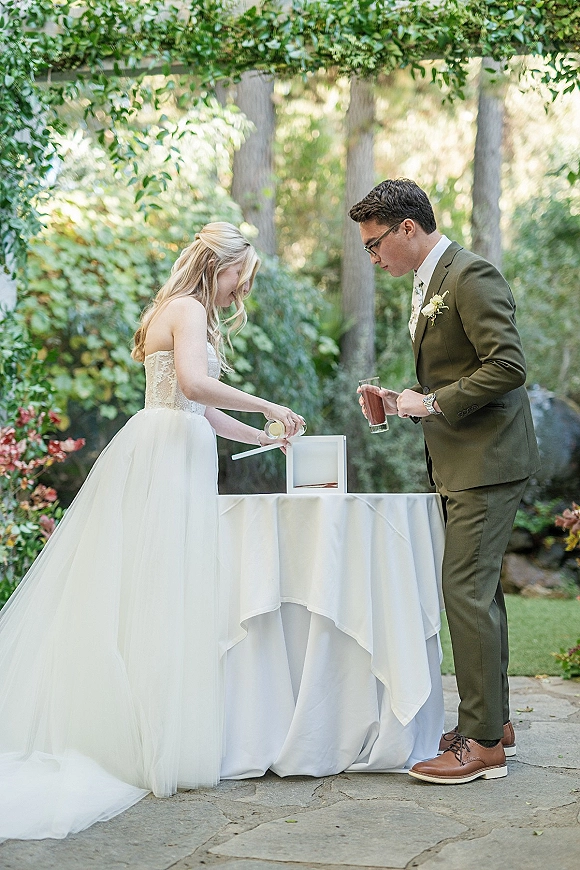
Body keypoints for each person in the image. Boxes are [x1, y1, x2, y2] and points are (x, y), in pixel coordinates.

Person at [0, 221, 304, 840]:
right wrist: (268, 404)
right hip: (165, 455)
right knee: (159, 586)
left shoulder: (180, 309)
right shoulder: (188, 308)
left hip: (176, 444)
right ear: (218, 268)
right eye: (236, 283)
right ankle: (143, 739)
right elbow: (192, 386)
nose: (235, 296)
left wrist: (262, 438)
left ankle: (154, 727)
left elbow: (201, 408)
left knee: (163, 587)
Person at [351, 179, 540, 784]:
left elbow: (507, 366)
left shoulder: (469, 275)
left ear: (409, 228)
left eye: (374, 244)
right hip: (461, 461)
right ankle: (495, 720)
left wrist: (430, 404)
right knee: (479, 593)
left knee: (463, 591)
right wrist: (399, 401)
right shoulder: (428, 280)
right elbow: (456, 369)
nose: (372, 257)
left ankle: (482, 746)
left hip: (488, 461)